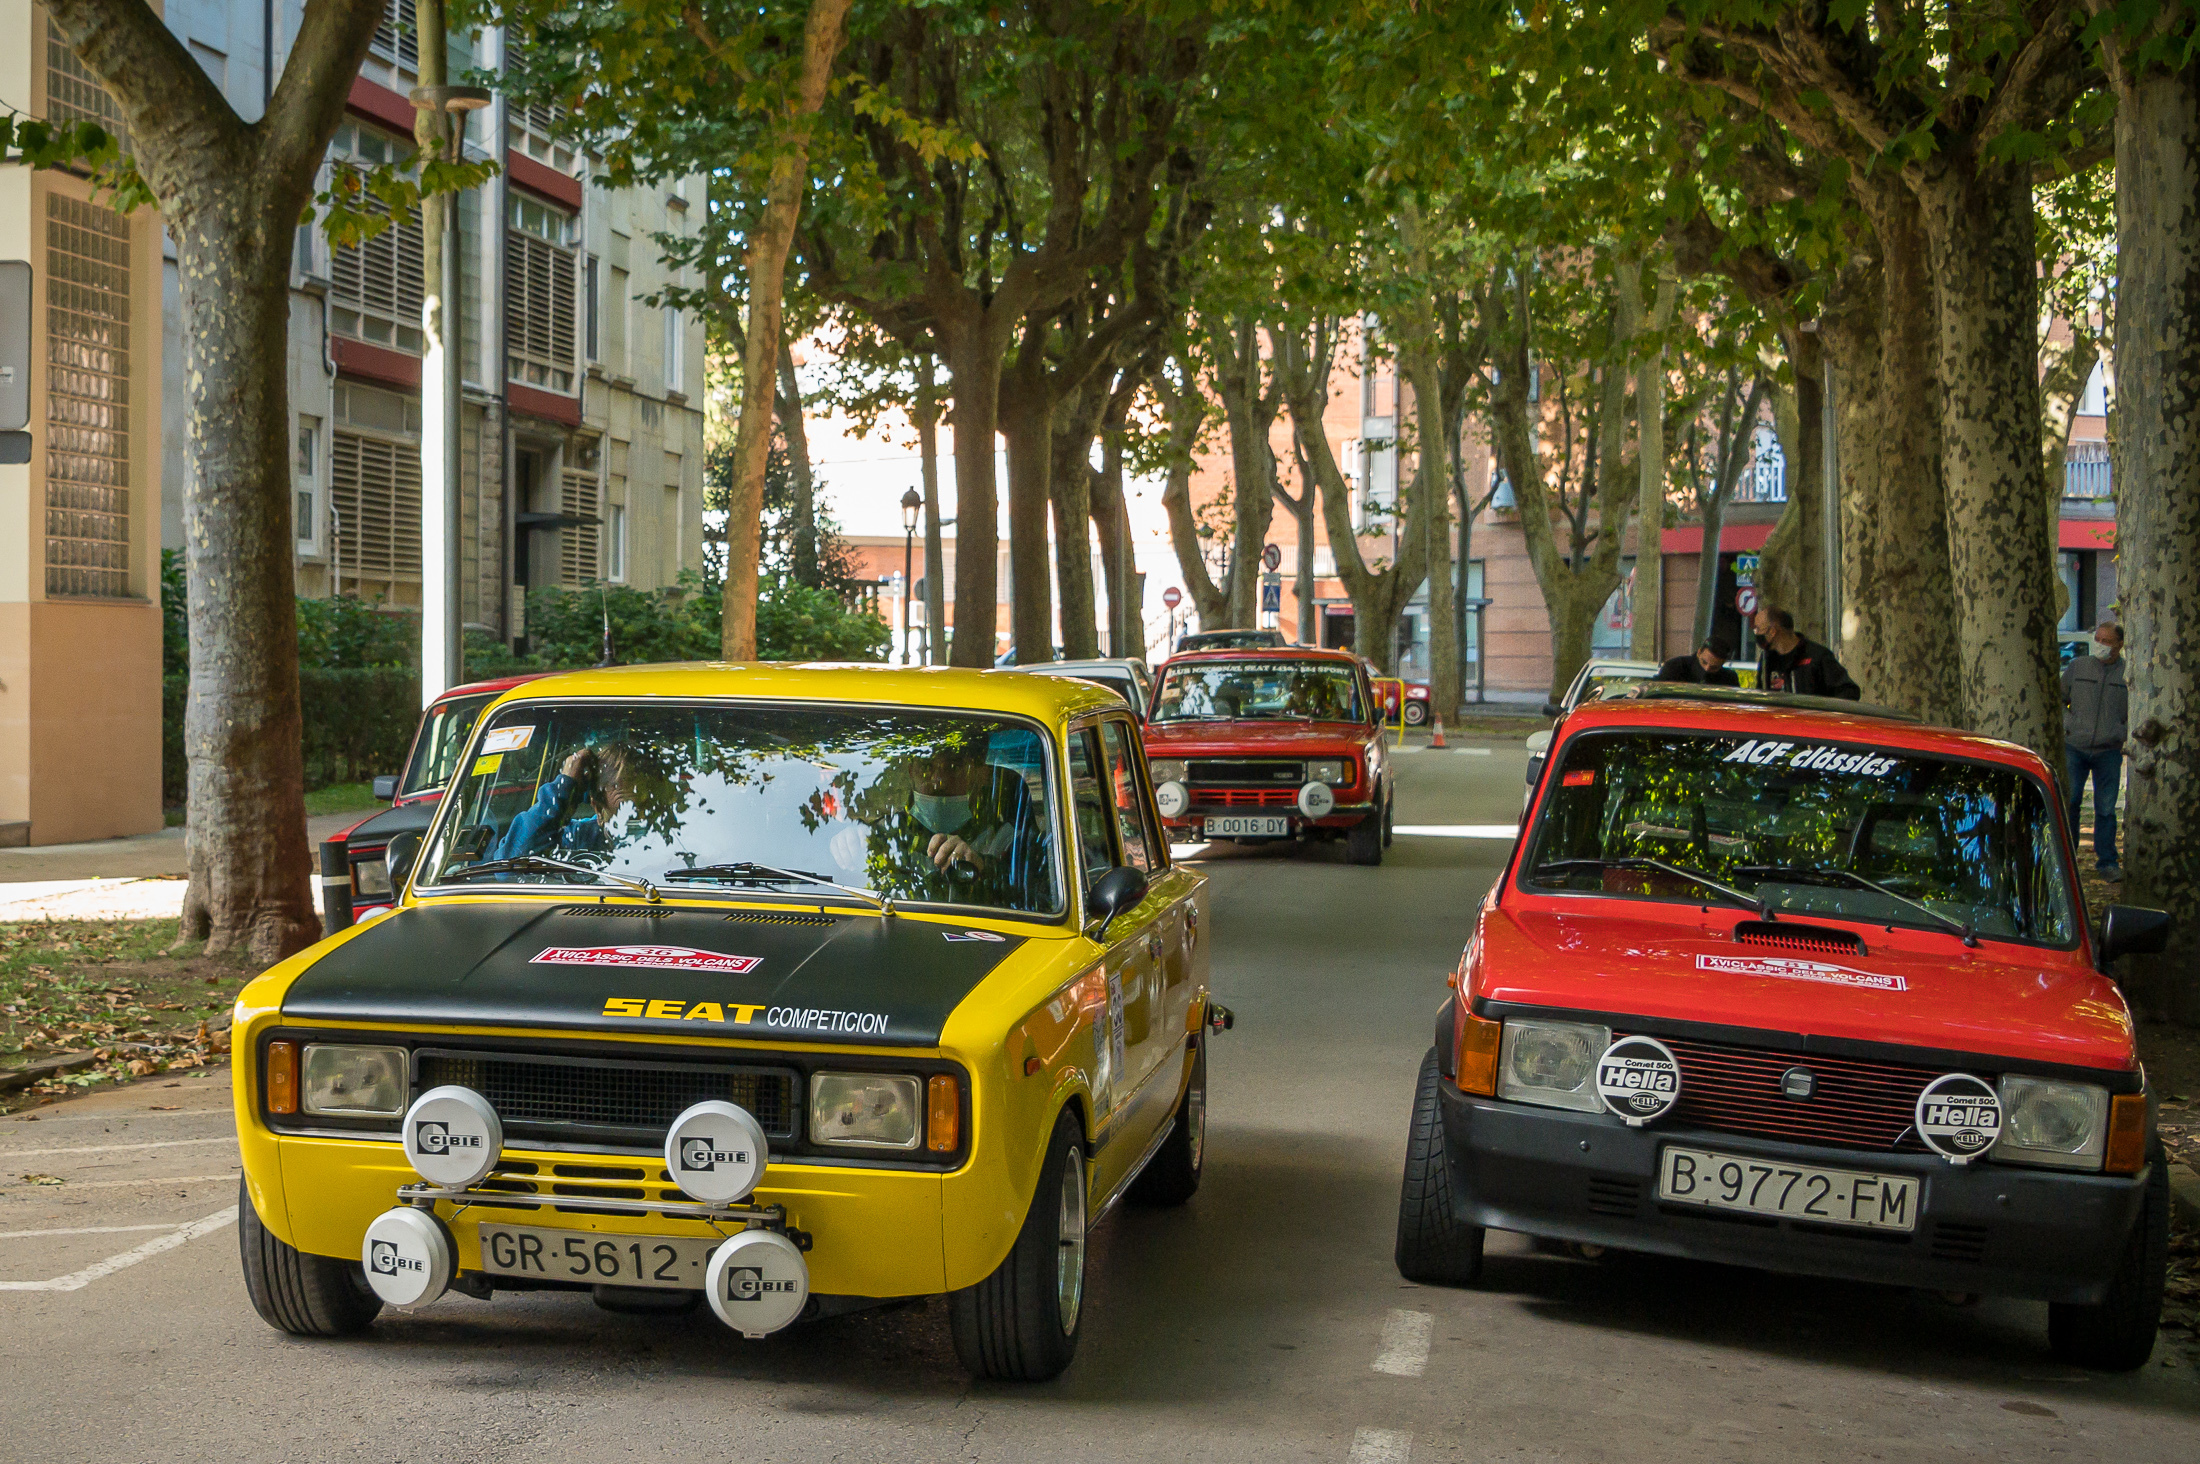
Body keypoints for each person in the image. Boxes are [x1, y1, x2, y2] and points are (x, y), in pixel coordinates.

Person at [488, 743, 634, 861]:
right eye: (626, 810)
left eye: (648, 807)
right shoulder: (580, 839)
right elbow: (509, 866)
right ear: (599, 811)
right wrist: (564, 787)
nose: (641, 818)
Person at [2062, 620, 2127, 880]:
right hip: (2074, 747)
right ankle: (2068, 861)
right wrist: (2068, 725)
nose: (2100, 645)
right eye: (2098, 639)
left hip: (2108, 751)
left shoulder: (2127, 674)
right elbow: (2059, 697)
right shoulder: (2078, 667)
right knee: (2072, 802)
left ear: (2120, 645)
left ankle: (2107, 863)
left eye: (2107, 641)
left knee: (2106, 809)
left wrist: (2121, 733)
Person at [1752, 605, 1860, 700]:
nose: (1756, 634)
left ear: (1772, 631)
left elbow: (1848, 691)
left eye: (1758, 629)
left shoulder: (1817, 656)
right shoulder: (1767, 659)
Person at [1657, 636, 1742, 687]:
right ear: (1699, 652)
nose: (1707, 669)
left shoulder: (1729, 678)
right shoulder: (1675, 667)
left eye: (1714, 667)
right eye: (1704, 662)